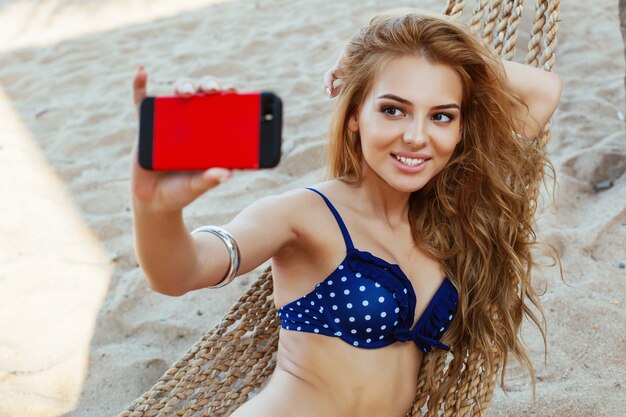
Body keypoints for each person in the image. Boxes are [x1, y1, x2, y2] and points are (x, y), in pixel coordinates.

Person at [130, 9, 561, 417]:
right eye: (393, 109)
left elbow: (543, 91)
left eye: (441, 116)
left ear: (461, 126)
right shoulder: (306, 214)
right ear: (354, 114)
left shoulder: (450, 215)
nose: (416, 137)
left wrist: (397, 35)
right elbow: (180, 273)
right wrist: (155, 210)